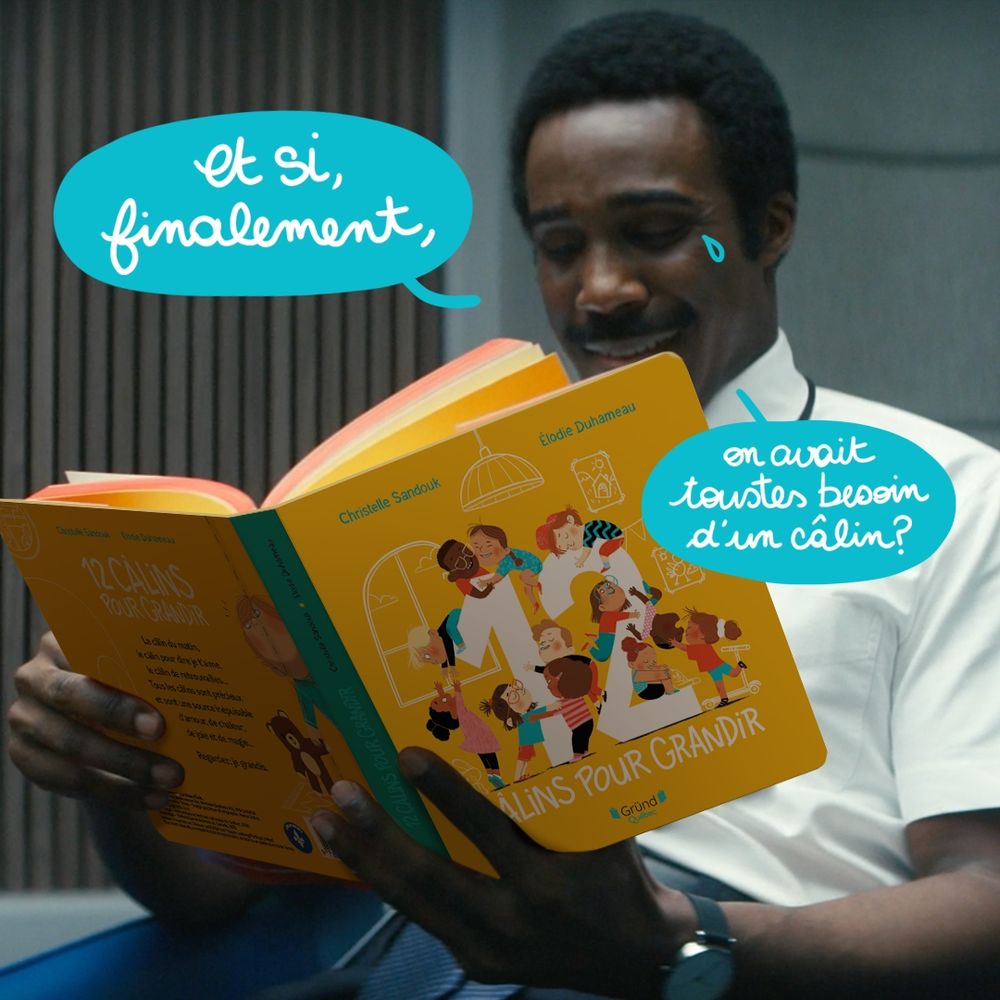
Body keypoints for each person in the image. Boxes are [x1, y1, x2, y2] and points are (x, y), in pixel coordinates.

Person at [6, 10, 1000, 999]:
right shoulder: (436, 503)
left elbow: (986, 890)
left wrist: (683, 942)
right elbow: (205, 900)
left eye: (654, 235)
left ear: (769, 227)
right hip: (383, 943)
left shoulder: (947, 495)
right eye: (559, 247)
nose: (599, 290)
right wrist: (119, 765)